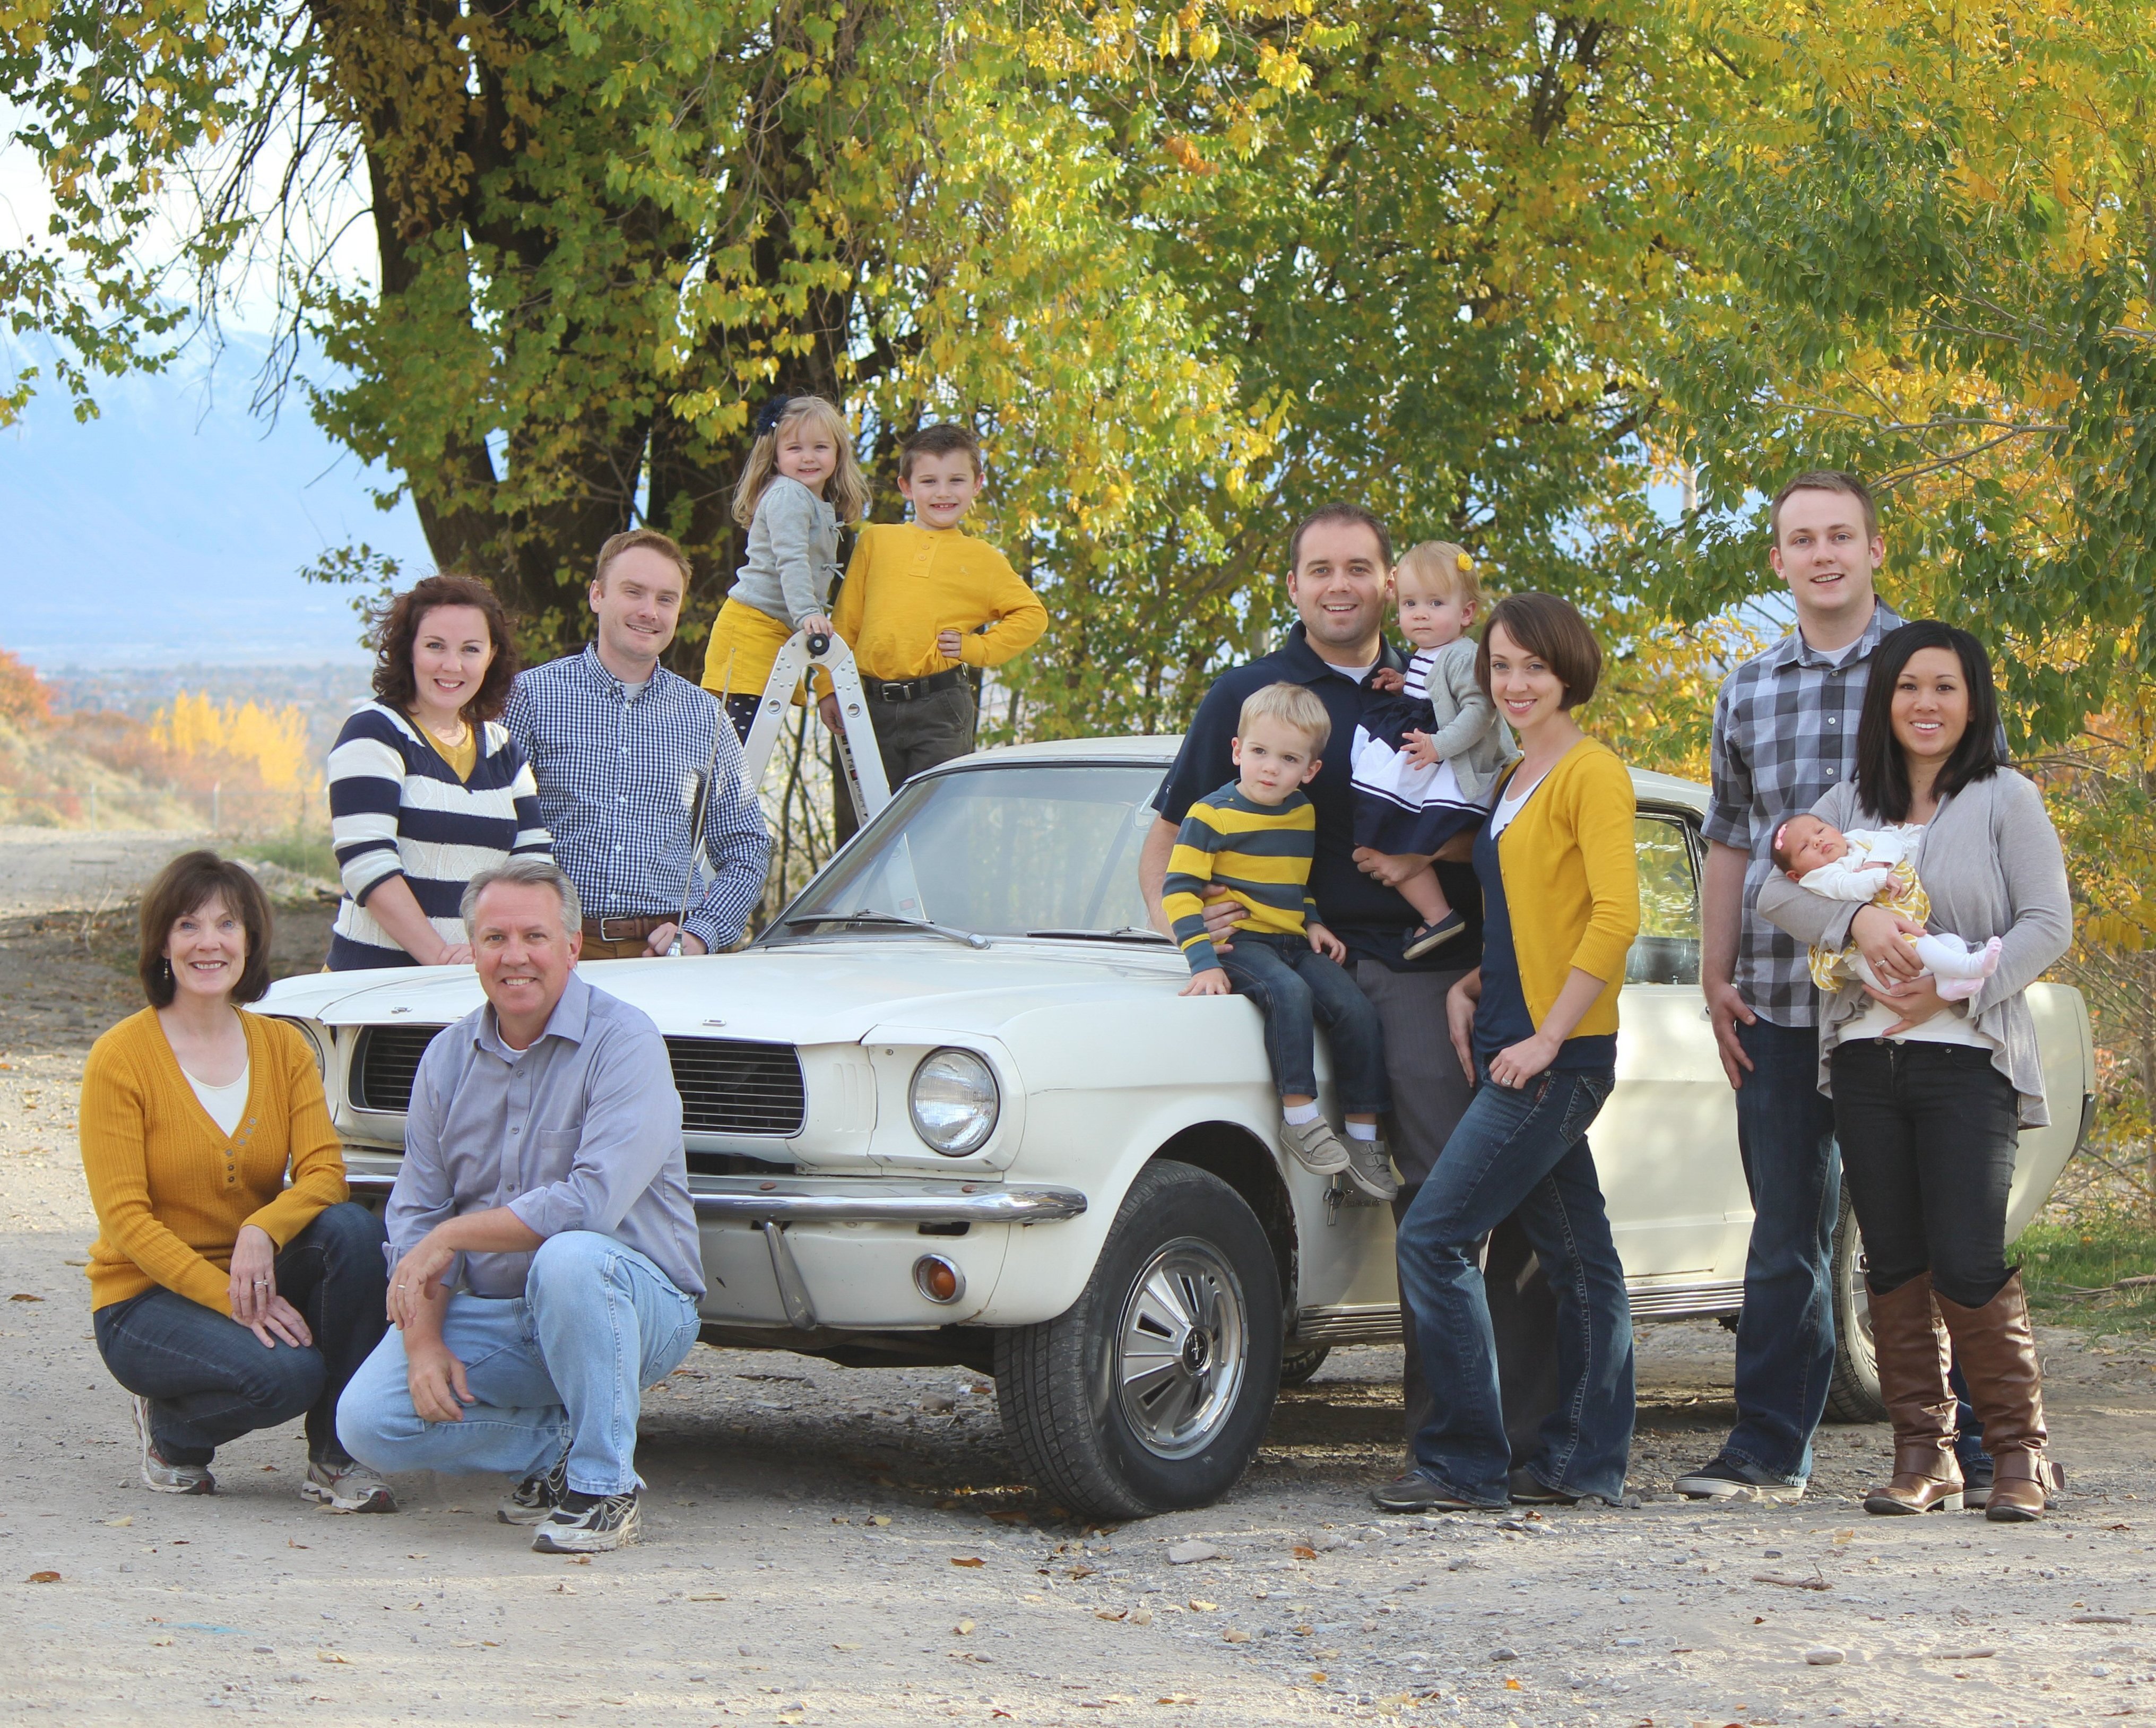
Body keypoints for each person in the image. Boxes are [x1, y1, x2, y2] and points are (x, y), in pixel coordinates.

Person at [1142, 502, 1484, 1446]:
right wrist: (1193, 934)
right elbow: (1167, 847)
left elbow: (1495, 812)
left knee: (1441, 1192)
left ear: (1388, 582)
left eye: (1358, 568)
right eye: (1319, 569)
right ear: (1292, 585)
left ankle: (1449, 1441)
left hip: (1417, 965)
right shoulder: (1247, 694)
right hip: (1278, 960)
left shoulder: (1442, 681)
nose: (1339, 585)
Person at [1759, 622, 2071, 1522]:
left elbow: (2047, 923)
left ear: (1971, 702)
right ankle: (1921, 1457)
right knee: (1890, 1259)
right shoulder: (1850, 799)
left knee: (1967, 1257)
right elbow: (1771, 889)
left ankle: (2017, 1456)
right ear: (1883, 702)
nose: (1924, 704)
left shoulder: (2004, 797)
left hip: (1967, 1060)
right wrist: (1853, 923)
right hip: (1863, 1062)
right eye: (1906, 687)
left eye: (1943, 687)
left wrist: (1952, 990)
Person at [336, 858, 705, 1553]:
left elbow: (590, 1206)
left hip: (631, 1307)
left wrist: (453, 1237)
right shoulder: (445, 1058)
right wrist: (423, 1343)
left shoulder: (625, 1041)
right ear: (472, 950)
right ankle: (555, 1447)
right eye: (495, 938)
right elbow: (416, 1216)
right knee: (369, 1421)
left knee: (568, 1259)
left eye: (534, 937)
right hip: (502, 1313)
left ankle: (604, 1487)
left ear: (572, 946)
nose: (515, 957)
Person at [1375, 594, 1640, 1511]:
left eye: (1534, 666)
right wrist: (1474, 984)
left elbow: (1614, 916)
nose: (1514, 683)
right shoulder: (1513, 775)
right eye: (1499, 666)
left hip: (1555, 1055)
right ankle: (1580, 1463)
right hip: (1507, 1034)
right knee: (1578, 1260)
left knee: (1434, 1236)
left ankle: (1463, 1464)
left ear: (1569, 671)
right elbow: (1534, 914)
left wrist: (1547, 1035)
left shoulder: (1590, 772)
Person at [1679, 469, 1910, 1505]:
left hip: (1898, 994)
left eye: (1840, 536)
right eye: (1803, 539)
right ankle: (1768, 1449)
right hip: (1774, 997)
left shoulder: (1923, 672)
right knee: (1784, 1231)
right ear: (1776, 560)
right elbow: (1729, 841)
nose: (1823, 554)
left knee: (1924, 1225)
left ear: (1872, 548)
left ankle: (1965, 1444)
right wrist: (1713, 970)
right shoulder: (1747, 688)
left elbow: (1971, 821)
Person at [79, 851, 393, 1509]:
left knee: (353, 1231)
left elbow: (325, 1173)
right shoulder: (121, 1058)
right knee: (288, 1376)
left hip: (254, 1270)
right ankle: (172, 1433)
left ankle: (336, 1457)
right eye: (188, 925)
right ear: (162, 943)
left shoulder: (282, 1048)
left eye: (227, 924)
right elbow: (127, 1221)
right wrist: (231, 1299)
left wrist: (261, 1228)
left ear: (250, 942)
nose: (209, 942)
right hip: (145, 1299)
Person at [1164, 681, 1393, 1193]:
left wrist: (1312, 920)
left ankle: (1362, 1136)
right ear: (1237, 751)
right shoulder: (1209, 814)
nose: (1270, 768)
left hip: (1293, 940)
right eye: (1259, 752)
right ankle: (1301, 1119)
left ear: (1310, 770)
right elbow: (1178, 891)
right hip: (1241, 943)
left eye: (1288, 759)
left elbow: (1293, 882)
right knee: (1288, 993)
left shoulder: (1301, 811)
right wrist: (1203, 962)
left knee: (1356, 1009)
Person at [504, 529, 770, 960]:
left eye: (666, 599)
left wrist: (702, 933)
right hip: (552, 949)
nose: (650, 612)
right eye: (634, 592)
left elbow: (746, 844)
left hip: (664, 955)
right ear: (597, 595)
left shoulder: (705, 716)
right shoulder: (530, 697)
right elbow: (489, 828)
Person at [326, 574, 551, 970]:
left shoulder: (503, 748)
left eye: (471, 649)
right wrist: (440, 958)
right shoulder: (374, 731)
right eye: (435, 646)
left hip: (471, 979)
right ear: (408, 650)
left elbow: (532, 869)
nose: (452, 665)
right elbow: (366, 862)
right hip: (373, 982)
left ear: (491, 656)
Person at [814, 422, 1049, 793]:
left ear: (977, 484)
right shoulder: (876, 541)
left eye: (956, 480)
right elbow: (846, 621)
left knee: (936, 811)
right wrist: (829, 686)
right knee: (877, 815)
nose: (943, 493)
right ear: (906, 486)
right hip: (869, 703)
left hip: (941, 706)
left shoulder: (983, 558)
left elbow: (1032, 615)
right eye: (928, 482)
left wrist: (977, 648)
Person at [1349, 541, 1513, 957]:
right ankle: (1437, 915)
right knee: (1383, 833)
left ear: (1466, 613)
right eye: (1410, 603)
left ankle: (1438, 914)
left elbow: (1480, 711)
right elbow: (1435, 695)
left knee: (1393, 833)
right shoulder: (1427, 653)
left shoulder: (1462, 655)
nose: (1420, 613)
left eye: (1435, 603)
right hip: (1425, 756)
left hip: (1446, 764)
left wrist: (1439, 746)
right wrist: (1404, 685)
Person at [700, 394, 873, 738]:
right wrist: (808, 612)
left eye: (820, 447)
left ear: (838, 452)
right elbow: (791, 559)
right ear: (776, 455)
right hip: (752, 628)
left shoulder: (812, 500)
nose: (808, 457)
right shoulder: (789, 496)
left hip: (773, 629)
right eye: (795, 448)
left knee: (753, 735)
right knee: (742, 737)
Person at [1772, 812, 2003, 997]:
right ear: (1795, 875)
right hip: (1871, 954)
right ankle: (1969, 967)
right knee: (1920, 944)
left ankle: (1947, 984)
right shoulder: (1818, 876)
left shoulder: (1854, 840)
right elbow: (1846, 886)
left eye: (1820, 830)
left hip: (1902, 934)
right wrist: (1879, 877)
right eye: (1804, 847)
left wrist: (1877, 861)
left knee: (1950, 942)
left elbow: (1889, 840)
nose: (1817, 841)